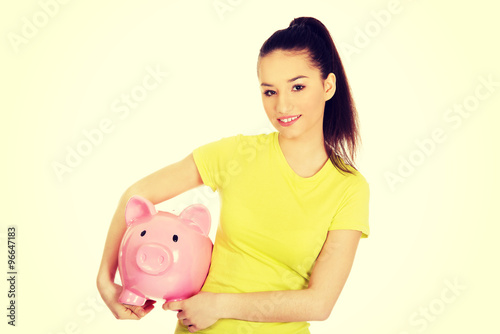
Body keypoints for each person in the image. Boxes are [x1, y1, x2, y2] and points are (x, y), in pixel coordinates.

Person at [97, 16, 370, 334]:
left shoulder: (349, 188)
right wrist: (106, 280)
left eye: (298, 86)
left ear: (328, 86)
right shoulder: (237, 155)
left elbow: (319, 303)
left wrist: (219, 305)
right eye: (270, 92)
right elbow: (136, 196)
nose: (283, 105)